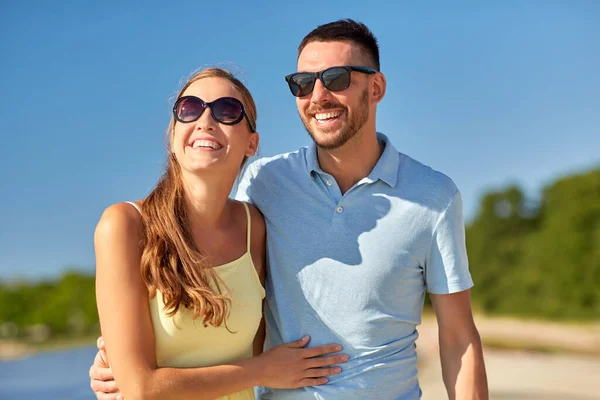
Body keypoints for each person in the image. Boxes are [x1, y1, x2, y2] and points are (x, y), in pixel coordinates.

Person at [91, 19, 488, 399]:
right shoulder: (263, 184)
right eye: (303, 84)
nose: (318, 96)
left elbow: (457, 337)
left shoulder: (433, 197)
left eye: (337, 78)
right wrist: (119, 361)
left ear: (376, 87)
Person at [92, 67, 348, 400]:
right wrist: (265, 371)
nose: (206, 120)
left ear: (251, 143)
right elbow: (141, 388)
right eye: (189, 109)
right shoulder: (125, 225)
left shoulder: (253, 227)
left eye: (227, 110)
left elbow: (261, 339)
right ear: (173, 134)